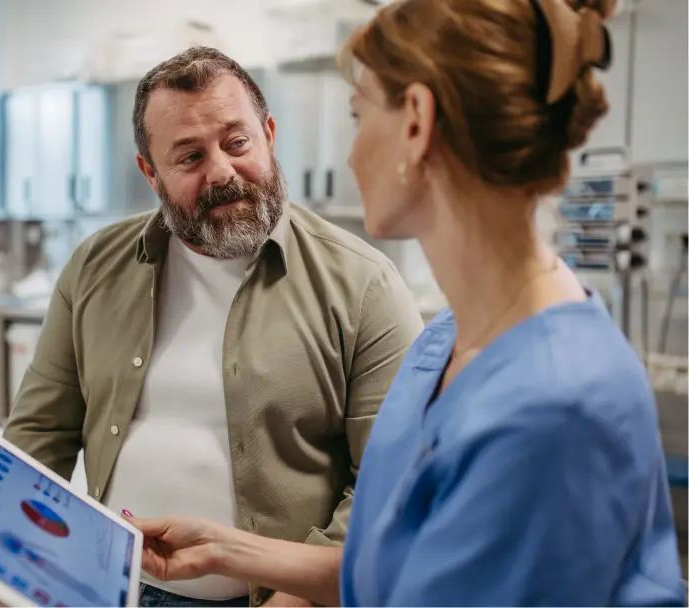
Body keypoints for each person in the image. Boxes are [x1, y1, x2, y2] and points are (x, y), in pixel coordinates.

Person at [126, 0, 688, 606]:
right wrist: (228, 549)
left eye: (358, 114)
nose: (349, 152)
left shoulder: (557, 404)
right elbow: (401, 567)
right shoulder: (446, 342)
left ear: (415, 123)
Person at [2, 47, 425, 607]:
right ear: (149, 172)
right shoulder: (94, 267)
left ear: (269, 134)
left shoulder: (364, 285)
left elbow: (391, 485)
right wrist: (7, 569)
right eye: (189, 156)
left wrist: (295, 599)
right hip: (109, 586)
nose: (222, 172)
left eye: (237, 142)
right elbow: (39, 435)